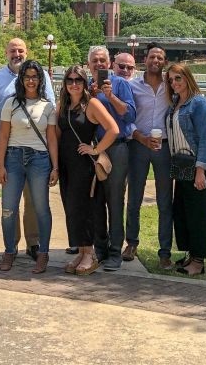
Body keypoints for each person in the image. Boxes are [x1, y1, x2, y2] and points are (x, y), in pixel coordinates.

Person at [0, 37, 56, 260]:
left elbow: (51, 110)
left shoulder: (43, 75)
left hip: (37, 146)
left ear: (26, 52)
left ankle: (34, 242)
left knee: (34, 200)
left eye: (20, 50)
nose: (16, 54)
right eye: (12, 50)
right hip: (6, 143)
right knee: (10, 201)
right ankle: (12, 246)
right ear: (6, 53)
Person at [56, 65, 119, 275]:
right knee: (72, 208)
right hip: (66, 164)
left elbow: (113, 129)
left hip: (84, 165)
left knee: (87, 209)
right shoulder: (63, 105)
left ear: (84, 83)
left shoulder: (91, 104)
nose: (74, 84)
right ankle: (82, 251)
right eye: (70, 80)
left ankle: (91, 254)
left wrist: (95, 149)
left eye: (78, 80)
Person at [165, 62, 206, 276]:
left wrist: (200, 170)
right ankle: (191, 254)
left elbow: (205, 139)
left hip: (203, 163)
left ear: (187, 77)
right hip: (182, 164)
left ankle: (199, 261)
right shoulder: (177, 103)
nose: (174, 83)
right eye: (170, 80)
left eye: (178, 78)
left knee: (198, 212)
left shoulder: (199, 103)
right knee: (183, 210)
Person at [87, 45, 136, 272]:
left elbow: (130, 113)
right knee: (95, 201)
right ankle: (100, 249)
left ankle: (115, 251)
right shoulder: (84, 87)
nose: (99, 64)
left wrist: (110, 96)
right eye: (94, 61)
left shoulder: (121, 84)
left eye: (102, 61)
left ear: (109, 64)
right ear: (89, 65)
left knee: (115, 200)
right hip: (93, 150)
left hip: (116, 149)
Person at [124, 45, 174, 268]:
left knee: (165, 201)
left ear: (164, 61)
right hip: (139, 145)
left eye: (160, 57)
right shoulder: (132, 85)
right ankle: (131, 243)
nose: (156, 60)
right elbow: (126, 117)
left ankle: (165, 252)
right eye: (152, 56)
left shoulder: (171, 86)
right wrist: (140, 137)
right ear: (145, 59)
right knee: (134, 198)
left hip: (164, 148)